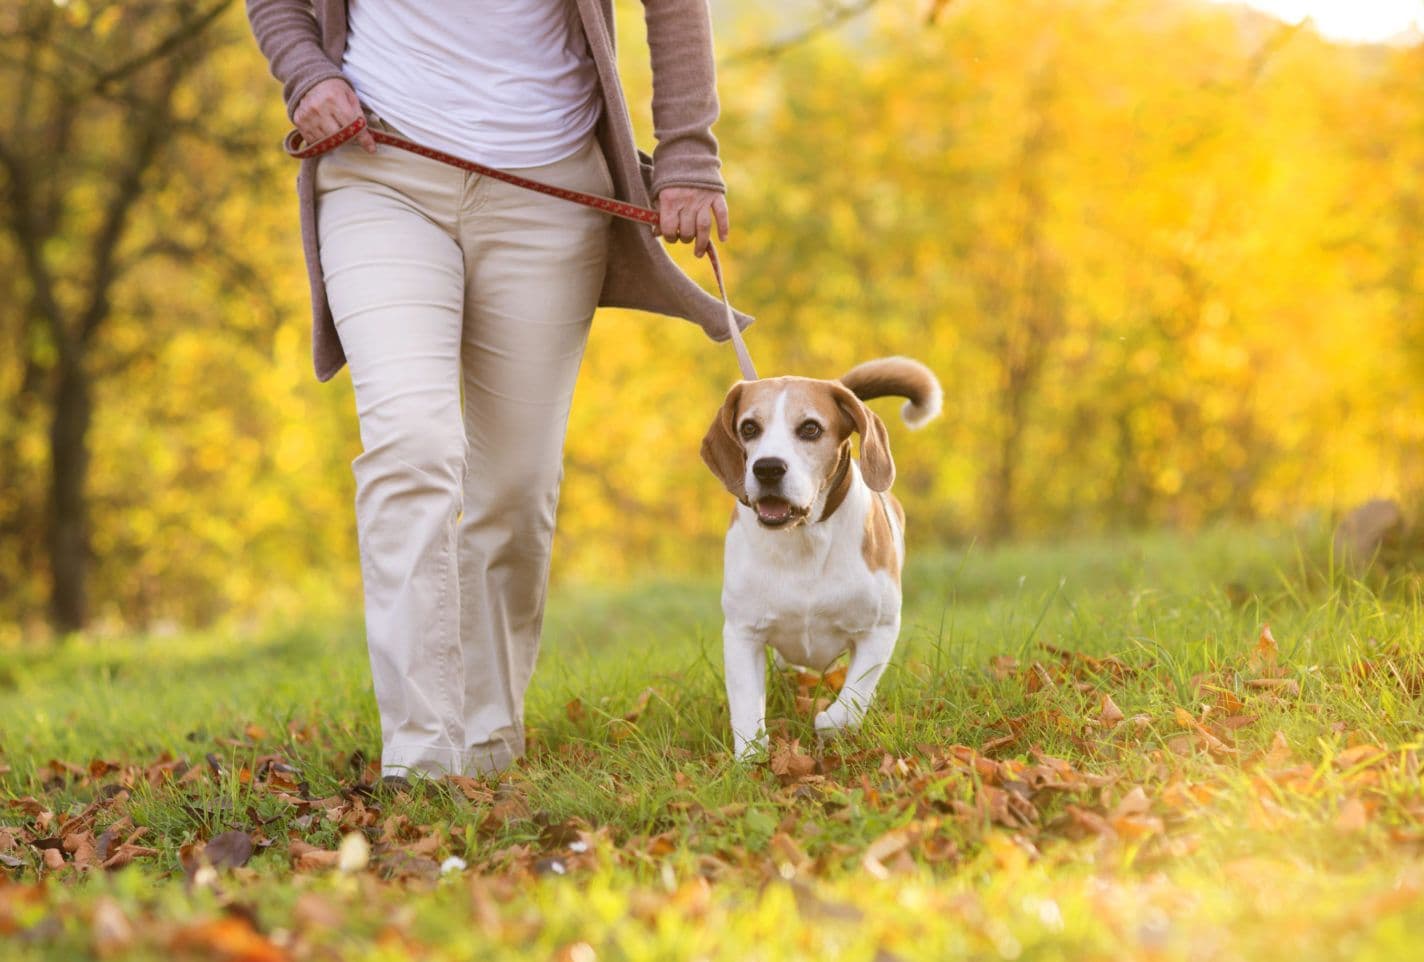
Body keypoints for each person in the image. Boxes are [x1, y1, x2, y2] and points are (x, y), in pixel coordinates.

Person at [245, 0, 750, 780]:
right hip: (381, 172)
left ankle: (485, 744)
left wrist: (687, 154)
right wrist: (306, 72)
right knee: (412, 444)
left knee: (514, 487)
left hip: (547, 194)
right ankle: (421, 755)